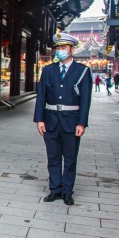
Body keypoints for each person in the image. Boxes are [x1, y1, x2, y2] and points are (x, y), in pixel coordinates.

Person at [33, 32, 92, 206]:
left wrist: (82, 122)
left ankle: (67, 191)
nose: (60, 50)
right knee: (53, 157)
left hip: (71, 122)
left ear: (72, 49)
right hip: (51, 120)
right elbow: (41, 97)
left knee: (70, 158)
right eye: (58, 48)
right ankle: (55, 189)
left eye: (64, 47)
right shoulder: (49, 70)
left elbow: (85, 100)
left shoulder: (82, 71)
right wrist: (39, 119)